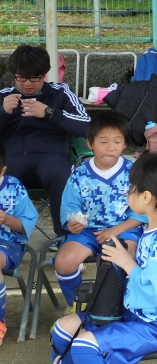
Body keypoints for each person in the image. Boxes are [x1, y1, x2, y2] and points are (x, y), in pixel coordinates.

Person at [49, 153, 157, 364]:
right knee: (63, 330)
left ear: (146, 197)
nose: (127, 192)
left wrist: (127, 263)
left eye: (131, 188)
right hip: (136, 315)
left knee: (84, 345)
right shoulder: (152, 231)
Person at [54, 112, 146, 310]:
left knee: (126, 258)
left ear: (125, 144)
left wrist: (116, 230)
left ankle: (119, 308)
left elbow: (142, 213)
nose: (111, 147)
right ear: (90, 143)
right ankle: (78, 307)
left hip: (124, 230)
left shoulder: (134, 173)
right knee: (63, 261)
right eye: (103, 141)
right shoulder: (79, 174)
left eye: (117, 141)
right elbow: (71, 207)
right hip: (88, 232)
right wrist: (72, 223)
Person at [0, 45, 91, 236]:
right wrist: (3, 113)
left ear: (44, 74)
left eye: (34, 77)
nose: (27, 84)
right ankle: (7, 240)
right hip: (11, 160)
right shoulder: (3, 95)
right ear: (14, 75)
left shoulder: (61, 92)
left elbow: (87, 126)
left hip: (52, 157)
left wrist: (50, 112)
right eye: (21, 78)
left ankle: (65, 237)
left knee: (62, 176)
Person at [0, 142, 38, 346]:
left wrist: (6, 219)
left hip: (9, 242)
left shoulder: (13, 187)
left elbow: (25, 226)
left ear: (2, 170)